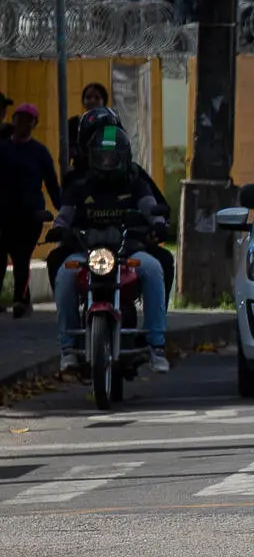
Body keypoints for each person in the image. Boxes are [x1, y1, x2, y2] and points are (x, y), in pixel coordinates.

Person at [53, 123, 170, 376]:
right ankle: (68, 348)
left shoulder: (136, 185)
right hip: (87, 254)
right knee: (64, 274)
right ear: (92, 157)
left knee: (153, 268)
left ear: (123, 158)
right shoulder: (79, 187)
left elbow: (151, 208)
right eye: (101, 157)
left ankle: (156, 345)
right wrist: (59, 228)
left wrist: (158, 223)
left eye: (112, 157)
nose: (106, 162)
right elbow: (64, 216)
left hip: (128, 253)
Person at [0, 103, 60, 318]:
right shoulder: (3, 149)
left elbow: (52, 183)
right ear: (13, 121)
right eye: (19, 118)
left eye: (28, 120)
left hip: (30, 215)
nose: (23, 123)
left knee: (22, 257)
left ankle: (19, 300)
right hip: (4, 213)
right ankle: (16, 299)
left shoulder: (39, 152)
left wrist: (62, 208)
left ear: (34, 124)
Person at [64, 82, 110, 180]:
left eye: (97, 98)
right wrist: (67, 169)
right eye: (88, 97)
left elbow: (110, 152)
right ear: (83, 101)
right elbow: (65, 153)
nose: (92, 101)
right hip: (78, 175)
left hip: (102, 175)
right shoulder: (73, 123)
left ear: (103, 101)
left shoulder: (110, 124)